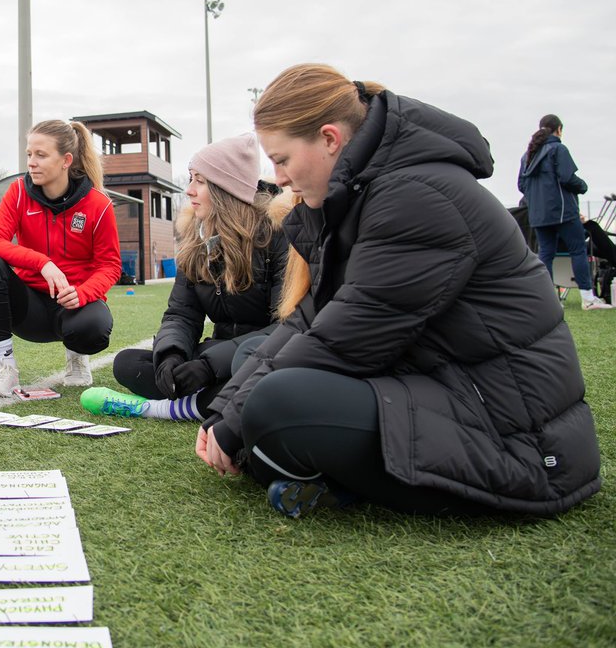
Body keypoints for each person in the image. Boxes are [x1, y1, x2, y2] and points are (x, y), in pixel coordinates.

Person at [195, 63, 602, 519]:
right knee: (251, 360)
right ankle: (316, 471)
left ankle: (322, 473)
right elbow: (310, 319)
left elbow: (348, 338)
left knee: (275, 404)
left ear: (330, 139)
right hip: (441, 383)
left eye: (283, 160)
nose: (279, 177)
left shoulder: (416, 196)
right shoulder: (364, 193)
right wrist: (225, 411)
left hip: (519, 440)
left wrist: (237, 422)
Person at [86, 134, 289, 422]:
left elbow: (285, 328)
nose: (190, 190)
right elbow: (181, 313)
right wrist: (172, 355)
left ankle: (164, 408)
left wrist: (210, 366)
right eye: (191, 178)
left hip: (263, 356)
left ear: (226, 189)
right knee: (128, 363)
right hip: (217, 354)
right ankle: (203, 399)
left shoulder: (276, 236)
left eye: (200, 181)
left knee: (263, 380)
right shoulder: (196, 240)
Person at [0, 119, 122, 397]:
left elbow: (110, 266)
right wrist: (43, 263)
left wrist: (83, 293)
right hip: (29, 310)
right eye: (29, 154)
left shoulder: (98, 204)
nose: (31, 162)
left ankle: (77, 357)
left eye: (41, 155)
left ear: (66, 160)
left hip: (73, 308)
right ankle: (6, 368)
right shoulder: (18, 192)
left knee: (93, 329)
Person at [518, 114, 612, 309]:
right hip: (563, 213)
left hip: (539, 215)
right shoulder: (558, 149)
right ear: (559, 129)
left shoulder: (527, 156)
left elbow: (521, 185)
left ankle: (548, 301)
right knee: (578, 251)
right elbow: (567, 178)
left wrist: (539, 201)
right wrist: (583, 186)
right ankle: (588, 299)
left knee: (545, 254)